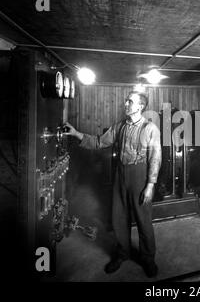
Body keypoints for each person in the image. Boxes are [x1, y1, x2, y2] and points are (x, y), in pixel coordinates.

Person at [65, 90, 162, 277]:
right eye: (126, 101)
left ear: (140, 106)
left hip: (140, 176)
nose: (125, 104)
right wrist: (76, 133)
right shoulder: (119, 127)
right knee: (119, 217)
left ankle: (148, 259)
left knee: (143, 221)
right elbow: (99, 142)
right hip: (121, 174)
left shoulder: (150, 128)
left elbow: (156, 157)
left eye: (130, 101)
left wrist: (150, 184)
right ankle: (122, 253)